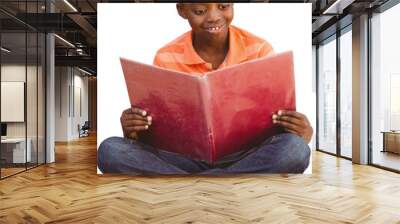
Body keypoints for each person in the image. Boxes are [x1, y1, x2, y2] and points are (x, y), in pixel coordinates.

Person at [98, 3, 313, 175]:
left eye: (223, 6)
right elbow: (159, 129)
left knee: (295, 149)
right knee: (110, 150)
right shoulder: (166, 56)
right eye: (200, 11)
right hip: (184, 158)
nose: (213, 17)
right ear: (181, 10)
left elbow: (275, 117)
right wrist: (133, 130)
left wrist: (302, 131)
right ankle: (224, 181)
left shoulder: (259, 49)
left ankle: (192, 184)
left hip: (246, 154)